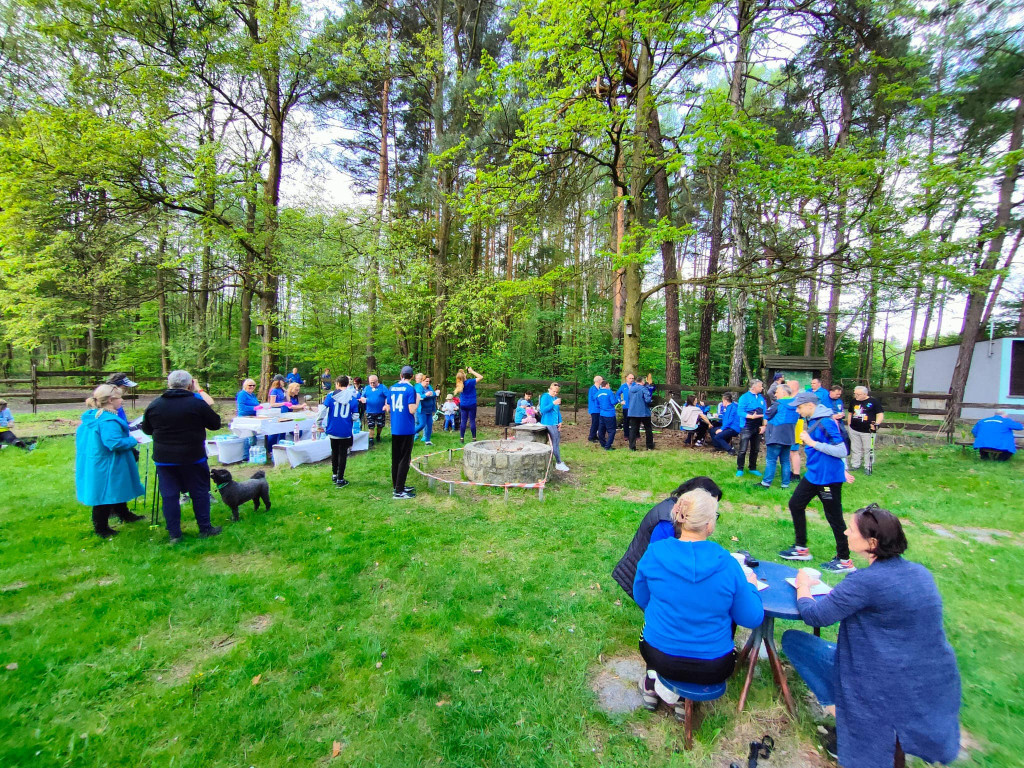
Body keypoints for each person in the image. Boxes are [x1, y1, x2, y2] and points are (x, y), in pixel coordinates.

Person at [783, 505, 961, 768]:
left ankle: (847, 723)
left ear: (872, 543)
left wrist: (803, 586)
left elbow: (815, 616)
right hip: (928, 682)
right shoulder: (920, 573)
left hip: (877, 683)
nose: (845, 532)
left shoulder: (865, 582)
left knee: (794, 641)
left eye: (851, 529)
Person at [634, 489, 764, 714]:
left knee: (648, 628)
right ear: (709, 524)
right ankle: (682, 701)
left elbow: (641, 598)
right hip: (714, 665)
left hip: (659, 655)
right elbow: (751, 618)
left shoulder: (654, 553)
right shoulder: (728, 564)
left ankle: (652, 684)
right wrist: (751, 586)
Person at [140, 370, 222, 543]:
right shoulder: (197, 404)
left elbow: (146, 429)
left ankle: (174, 534)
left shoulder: (155, 405)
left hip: (165, 458)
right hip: (192, 457)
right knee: (199, 492)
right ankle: (205, 528)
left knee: (169, 496)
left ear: (169, 384)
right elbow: (215, 424)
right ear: (190, 384)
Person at [612, 477, 724, 600]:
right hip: (642, 577)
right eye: (709, 508)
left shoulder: (680, 512)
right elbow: (656, 562)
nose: (711, 515)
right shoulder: (668, 522)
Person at [779, 391, 853, 573]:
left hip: (828, 479)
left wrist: (812, 443)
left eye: (799, 407)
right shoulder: (812, 419)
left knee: (834, 517)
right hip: (814, 475)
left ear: (810, 405)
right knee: (795, 504)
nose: (797, 410)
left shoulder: (826, 422)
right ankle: (801, 548)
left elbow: (842, 450)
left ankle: (844, 560)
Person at [75, 385, 146, 537]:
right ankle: (101, 528)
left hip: (97, 460)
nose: (122, 400)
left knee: (116, 488)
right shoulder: (107, 421)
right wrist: (133, 440)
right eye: (120, 397)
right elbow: (114, 443)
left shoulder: (93, 416)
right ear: (110, 400)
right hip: (107, 463)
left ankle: (124, 513)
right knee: (105, 494)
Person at [318, 375, 358, 487]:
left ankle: (334, 474)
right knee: (343, 454)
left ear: (338, 384)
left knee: (334, 451)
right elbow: (355, 416)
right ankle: (340, 478)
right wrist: (348, 419)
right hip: (345, 430)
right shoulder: (352, 398)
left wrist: (319, 423)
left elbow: (323, 410)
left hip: (333, 428)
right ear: (347, 384)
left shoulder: (331, 396)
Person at [757, 384, 796, 489]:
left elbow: (767, 415)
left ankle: (766, 483)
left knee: (771, 460)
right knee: (785, 461)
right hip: (789, 437)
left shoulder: (778, 404)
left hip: (776, 436)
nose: (775, 394)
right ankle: (785, 484)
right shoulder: (796, 405)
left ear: (784, 392)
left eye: (777, 392)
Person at [388, 366, 419, 499]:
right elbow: (412, 410)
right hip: (406, 428)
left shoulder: (392, 388)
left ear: (401, 375)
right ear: (412, 376)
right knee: (404, 459)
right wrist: (417, 400)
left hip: (395, 427)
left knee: (396, 458)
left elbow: (388, 407)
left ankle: (397, 485)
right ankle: (399, 491)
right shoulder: (410, 389)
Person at [846, 385, 884, 474]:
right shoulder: (854, 401)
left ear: (865, 394)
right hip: (854, 429)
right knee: (855, 448)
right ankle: (855, 465)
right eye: (855, 394)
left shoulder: (873, 402)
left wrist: (876, 424)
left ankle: (868, 467)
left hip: (868, 430)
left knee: (868, 449)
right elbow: (850, 413)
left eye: (858, 394)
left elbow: (880, 414)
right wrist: (849, 424)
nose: (856, 396)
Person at [735, 379, 766, 477]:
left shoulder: (761, 398)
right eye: (760, 386)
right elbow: (740, 412)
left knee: (755, 448)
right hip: (747, 426)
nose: (762, 388)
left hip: (758, 425)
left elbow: (765, 413)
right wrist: (751, 416)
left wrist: (764, 426)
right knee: (743, 449)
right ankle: (740, 468)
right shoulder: (744, 397)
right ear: (754, 387)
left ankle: (752, 467)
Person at [539, 382, 570, 471]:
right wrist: (553, 403)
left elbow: (557, 411)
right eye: (554, 391)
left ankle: (557, 461)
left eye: (557, 392)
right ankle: (558, 463)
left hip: (555, 423)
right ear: (549, 389)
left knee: (556, 442)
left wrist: (560, 421)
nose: (555, 393)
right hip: (548, 422)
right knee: (555, 442)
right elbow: (543, 410)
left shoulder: (555, 398)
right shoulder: (545, 397)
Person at [455, 366, 483, 442]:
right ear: (464, 376)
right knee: (472, 421)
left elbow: (462, 380)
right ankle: (474, 438)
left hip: (463, 404)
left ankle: (461, 438)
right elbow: (480, 377)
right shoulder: (470, 382)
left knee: (463, 421)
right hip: (472, 404)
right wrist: (471, 371)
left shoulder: (459, 384)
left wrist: (465, 374)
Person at [627, 374, 654, 451]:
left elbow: (629, 398)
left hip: (633, 412)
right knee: (648, 429)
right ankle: (649, 446)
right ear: (642, 382)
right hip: (643, 412)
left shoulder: (631, 389)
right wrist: (651, 402)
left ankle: (632, 446)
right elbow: (647, 400)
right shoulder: (643, 389)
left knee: (633, 429)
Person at [360, 374, 389, 445]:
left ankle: (378, 435)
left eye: (374, 382)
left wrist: (386, 404)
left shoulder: (382, 387)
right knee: (371, 426)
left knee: (380, 425)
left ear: (377, 381)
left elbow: (388, 396)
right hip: (370, 410)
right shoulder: (366, 388)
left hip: (380, 410)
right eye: (371, 382)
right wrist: (363, 399)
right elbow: (362, 397)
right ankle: (371, 439)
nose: (372, 384)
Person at [787, 379, 804, 480]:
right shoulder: (789, 397)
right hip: (788, 425)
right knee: (788, 450)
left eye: (788, 385)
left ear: (794, 386)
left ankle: (796, 474)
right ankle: (788, 471)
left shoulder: (799, 398)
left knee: (794, 450)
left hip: (796, 425)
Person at [415, 374, 437, 445]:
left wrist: (431, 394)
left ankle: (428, 441)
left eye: (428, 381)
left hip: (429, 409)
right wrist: (425, 395)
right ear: (422, 381)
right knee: (422, 424)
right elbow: (419, 397)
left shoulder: (429, 387)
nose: (427, 383)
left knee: (429, 425)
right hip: (422, 409)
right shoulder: (418, 387)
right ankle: (409, 434)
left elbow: (434, 393)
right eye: (426, 381)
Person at [596, 380, 618, 450]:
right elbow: (613, 402)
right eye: (608, 385)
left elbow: (596, 403)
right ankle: (608, 446)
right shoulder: (609, 392)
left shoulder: (598, 392)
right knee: (612, 431)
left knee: (601, 430)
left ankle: (603, 444)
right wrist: (618, 400)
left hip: (602, 414)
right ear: (606, 385)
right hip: (610, 414)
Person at [586, 375, 604, 442]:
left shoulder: (599, 388)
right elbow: (594, 398)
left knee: (598, 423)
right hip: (594, 409)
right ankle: (591, 436)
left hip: (599, 409)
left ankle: (595, 436)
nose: (602, 381)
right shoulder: (593, 389)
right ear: (598, 381)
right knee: (595, 423)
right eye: (601, 380)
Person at [616, 374, 634, 443]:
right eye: (630, 378)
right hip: (626, 407)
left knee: (635, 421)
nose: (631, 380)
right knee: (626, 421)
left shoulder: (635, 385)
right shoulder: (623, 386)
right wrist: (620, 401)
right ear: (626, 378)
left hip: (634, 407)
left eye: (632, 378)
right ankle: (626, 435)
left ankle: (636, 435)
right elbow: (617, 394)